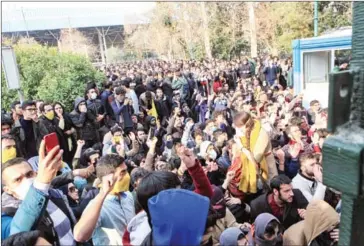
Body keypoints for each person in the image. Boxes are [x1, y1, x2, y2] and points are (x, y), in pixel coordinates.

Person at [2, 143, 76, 245]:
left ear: (35, 173)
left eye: (29, 174)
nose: (27, 181)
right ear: (8, 190)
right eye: (18, 180)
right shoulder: (9, 213)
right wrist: (41, 184)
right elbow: (17, 234)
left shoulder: (53, 195)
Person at [73, 154, 135, 245]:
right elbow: (79, 236)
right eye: (123, 172)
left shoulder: (128, 195)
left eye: (127, 171)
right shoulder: (97, 206)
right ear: (108, 178)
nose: (127, 176)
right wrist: (103, 194)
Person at [232, 112, 278, 196]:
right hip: (251, 169)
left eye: (240, 127)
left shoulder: (261, 133)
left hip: (266, 166)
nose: (238, 129)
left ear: (247, 124)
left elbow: (256, 158)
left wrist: (241, 146)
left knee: (271, 189)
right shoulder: (245, 131)